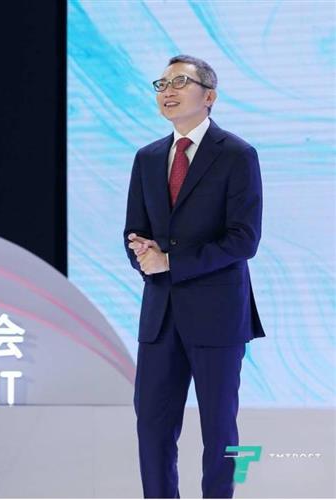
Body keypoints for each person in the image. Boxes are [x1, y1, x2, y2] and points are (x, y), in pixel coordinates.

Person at [122, 54, 266, 498]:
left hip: (218, 315)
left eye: (180, 82)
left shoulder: (237, 155)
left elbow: (244, 240)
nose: (167, 91)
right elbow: (134, 232)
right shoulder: (148, 158)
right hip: (161, 316)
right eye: (162, 84)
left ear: (210, 96)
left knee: (220, 429)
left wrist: (172, 262)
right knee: (152, 427)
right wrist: (142, 254)